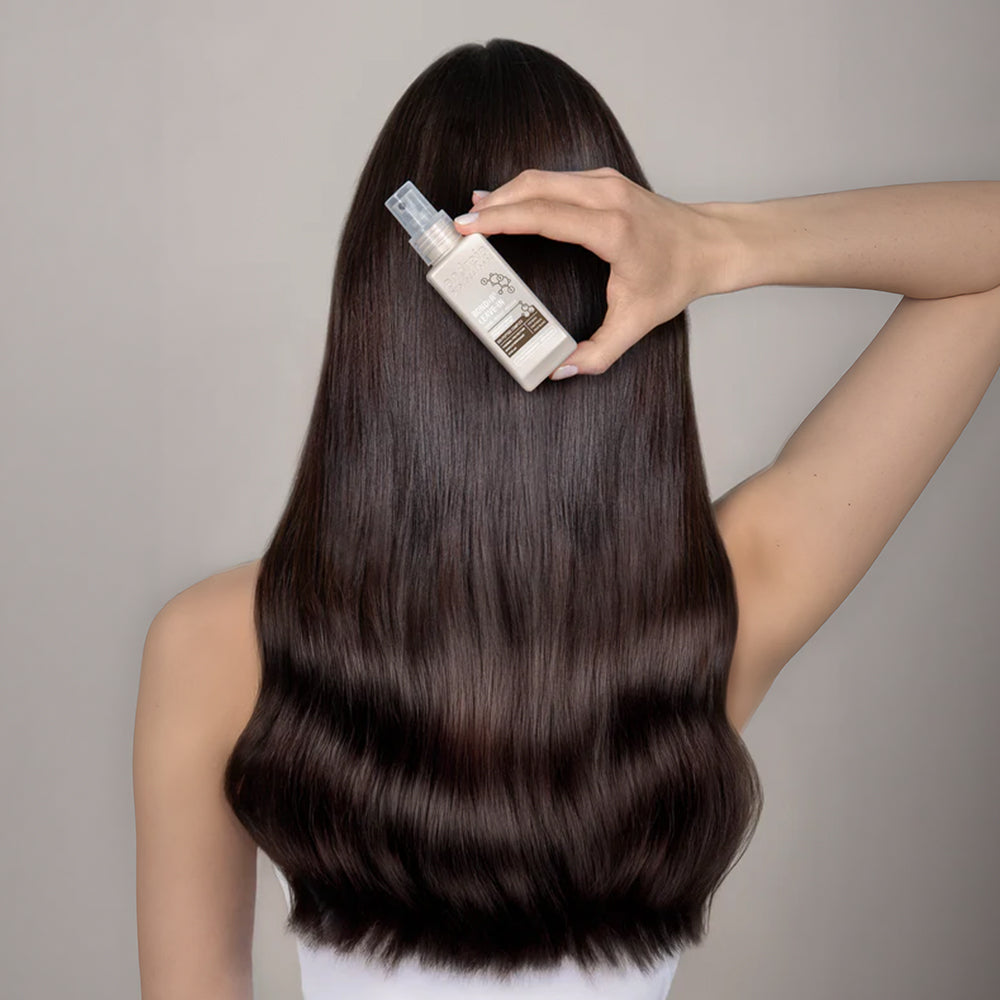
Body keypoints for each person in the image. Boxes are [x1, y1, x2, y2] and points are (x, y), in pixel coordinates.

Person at [133, 38, 1000, 1000]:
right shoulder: (722, 606)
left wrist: (707, 241)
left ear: (373, 325)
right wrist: (715, 244)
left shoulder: (214, 642)